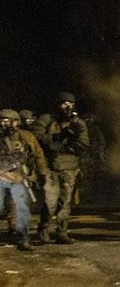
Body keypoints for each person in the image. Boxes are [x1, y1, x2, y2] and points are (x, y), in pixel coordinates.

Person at [32, 92, 89, 244]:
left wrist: (69, 140)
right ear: (58, 104)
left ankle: (62, 232)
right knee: (50, 201)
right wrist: (56, 139)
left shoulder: (78, 123)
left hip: (69, 167)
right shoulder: (46, 119)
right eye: (64, 103)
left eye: (71, 104)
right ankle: (44, 228)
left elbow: (83, 145)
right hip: (50, 166)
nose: (68, 106)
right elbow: (37, 137)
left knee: (65, 201)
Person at [0, 109, 50, 251]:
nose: (3, 123)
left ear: (16, 122)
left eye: (7, 120)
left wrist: (42, 173)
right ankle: (13, 229)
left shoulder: (25, 136)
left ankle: (23, 238)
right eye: (1, 120)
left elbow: (38, 154)